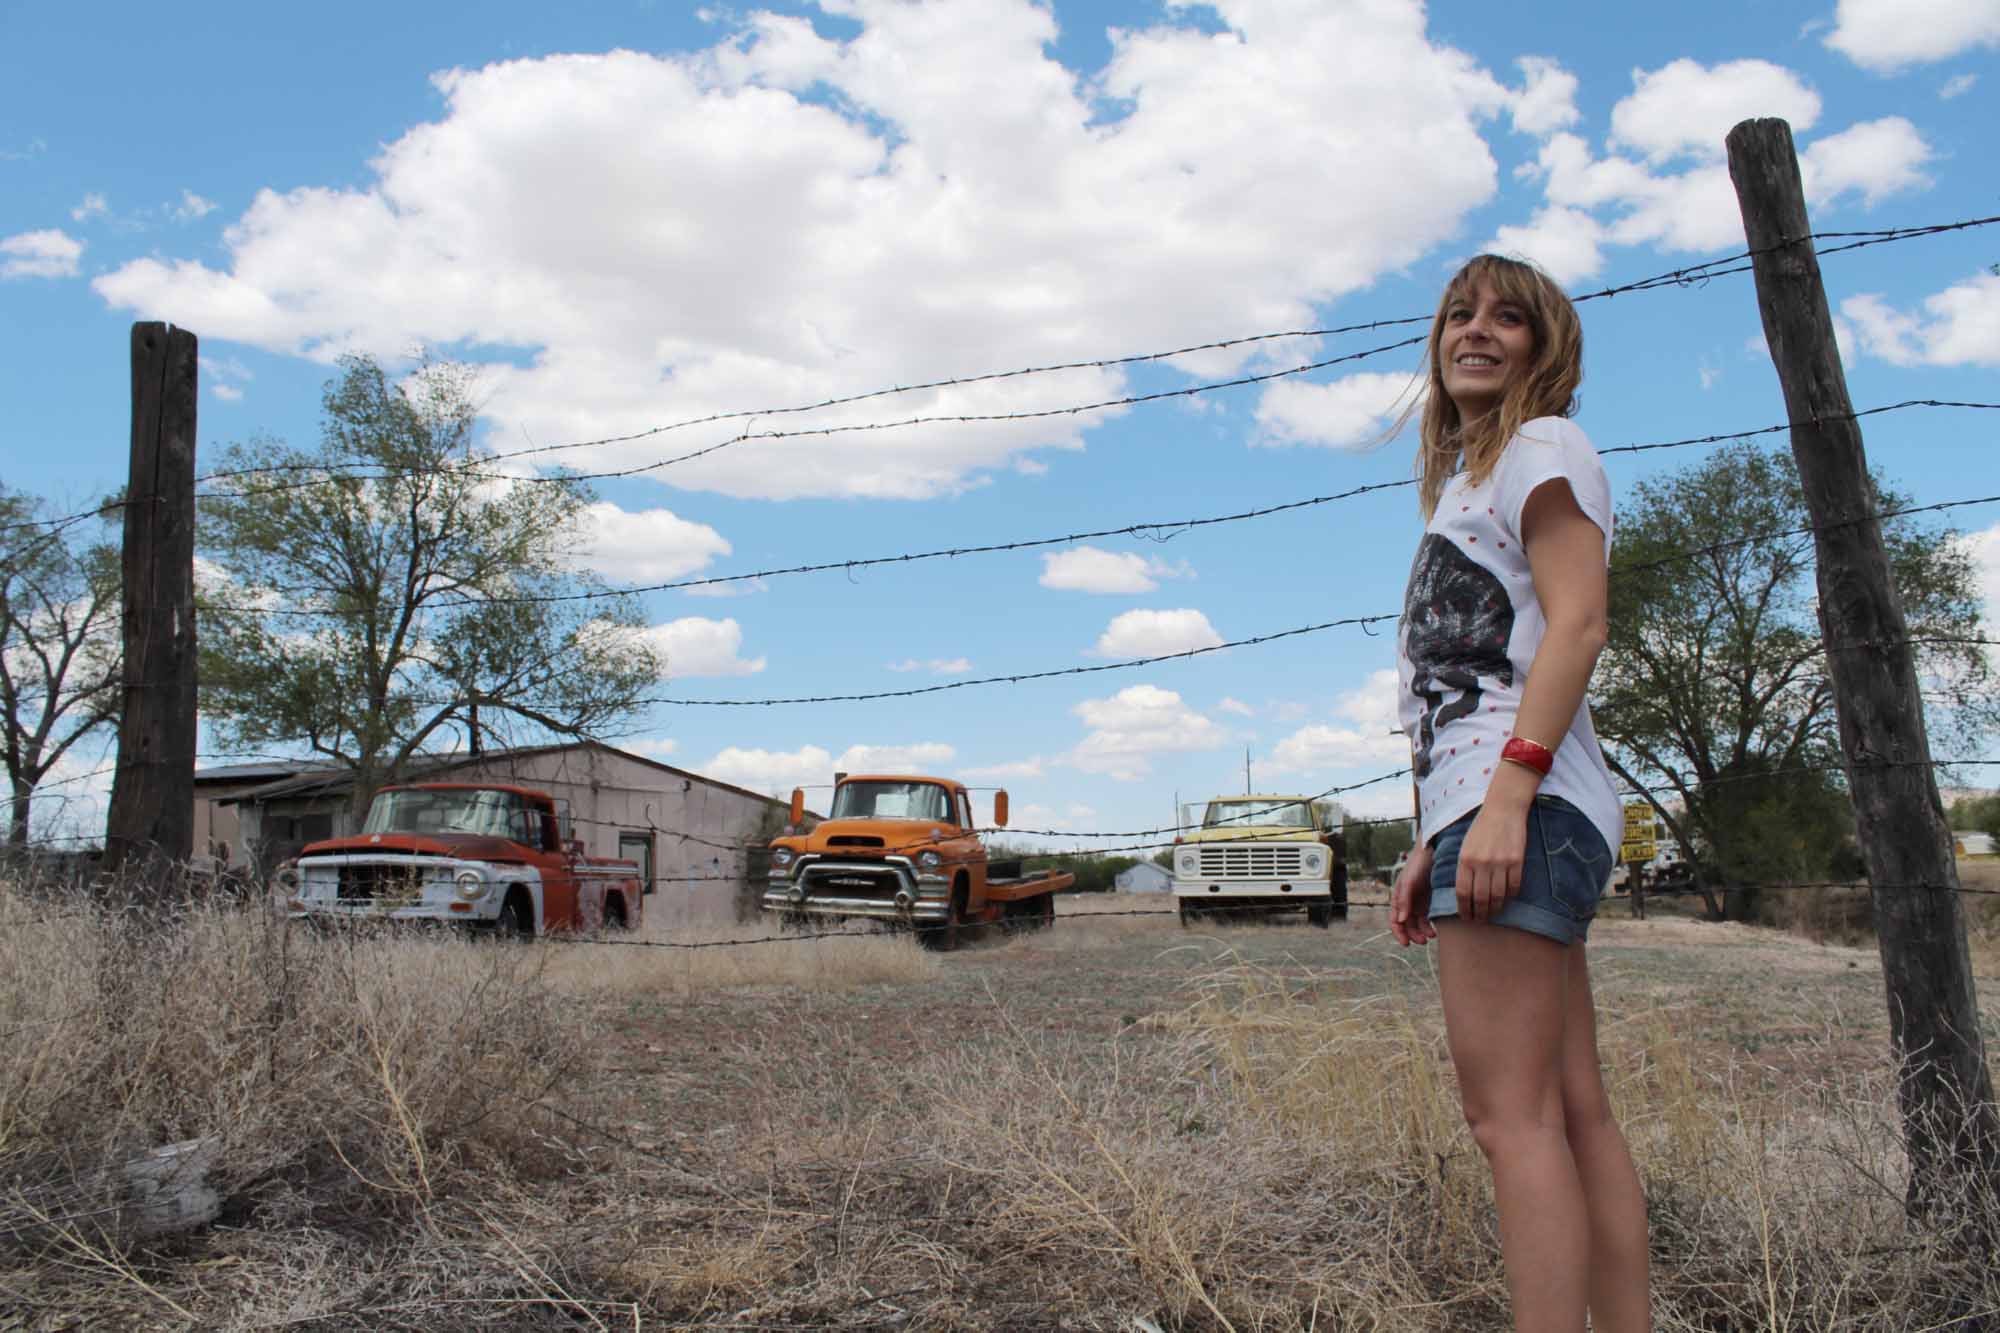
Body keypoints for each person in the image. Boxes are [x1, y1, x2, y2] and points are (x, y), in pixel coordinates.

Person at [1389, 254, 1650, 1329]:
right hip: (1509, 802)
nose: (1475, 330)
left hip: (1521, 803)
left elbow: (1578, 623)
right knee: (1571, 1113)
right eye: (1459, 314)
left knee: (1511, 1121)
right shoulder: (1471, 483)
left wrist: (1502, 800)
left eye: (1507, 317)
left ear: (1546, 347)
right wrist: (1431, 833)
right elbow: (1470, 682)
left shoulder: (1540, 446)